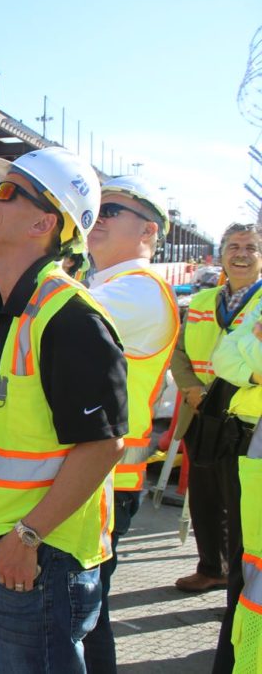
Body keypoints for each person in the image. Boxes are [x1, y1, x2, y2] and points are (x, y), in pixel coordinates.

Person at [0, 147, 128, 671]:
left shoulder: (71, 317)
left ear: (43, 223)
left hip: (40, 550)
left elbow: (102, 444)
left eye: (6, 191)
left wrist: (27, 536)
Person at [80, 176, 180, 673]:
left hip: (104, 480)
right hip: (94, 476)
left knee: (83, 616)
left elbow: (40, 329)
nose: (97, 215)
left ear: (148, 230)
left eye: (112, 210)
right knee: (81, 614)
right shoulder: (109, 285)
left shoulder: (137, 292)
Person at [171, 222, 262, 595]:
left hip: (246, 420)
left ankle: (242, 589)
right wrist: (190, 389)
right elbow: (179, 351)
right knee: (205, 496)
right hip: (201, 411)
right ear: (222, 252)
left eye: (251, 247)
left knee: (241, 506)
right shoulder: (205, 300)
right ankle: (213, 566)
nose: (241, 254)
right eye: (234, 246)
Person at [211, 298, 262, 673]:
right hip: (245, 442)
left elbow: (241, 353)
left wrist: (249, 351)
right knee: (244, 566)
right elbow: (222, 356)